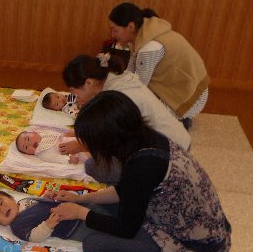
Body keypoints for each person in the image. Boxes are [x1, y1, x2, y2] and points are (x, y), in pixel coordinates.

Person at [51, 91, 231, 252]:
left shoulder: (142, 166)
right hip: (206, 230)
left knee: (94, 246)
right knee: (97, 208)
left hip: (197, 248)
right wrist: (81, 200)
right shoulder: (146, 139)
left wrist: (80, 212)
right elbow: (125, 191)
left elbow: (126, 228)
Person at [59, 53, 192, 183]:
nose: (74, 95)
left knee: (95, 166)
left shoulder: (119, 95)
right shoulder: (117, 80)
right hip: (178, 140)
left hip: (170, 153)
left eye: (72, 90)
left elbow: (114, 140)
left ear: (88, 83)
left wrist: (82, 145)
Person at [108, 2, 209, 124]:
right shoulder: (143, 37)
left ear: (131, 26)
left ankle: (179, 121)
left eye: (115, 30)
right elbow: (130, 73)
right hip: (192, 91)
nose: (112, 35)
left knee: (132, 120)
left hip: (190, 100)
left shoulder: (149, 48)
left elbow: (139, 87)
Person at [0, 191, 91, 243]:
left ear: (11, 198)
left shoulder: (23, 201)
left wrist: (46, 198)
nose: (1, 209)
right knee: (94, 230)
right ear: (1, 223)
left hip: (74, 207)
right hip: (72, 228)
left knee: (95, 207)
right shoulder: (17, 226)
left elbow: (39, 204)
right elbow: (33, 237)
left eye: (1, 202)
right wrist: (47, 225)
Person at [16, 129, 80, 164]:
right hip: (76, 150)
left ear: (34, 132)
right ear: (29, 154)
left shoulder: (44, 134)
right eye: (26, 147)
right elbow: (56, 159)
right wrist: (69, 160)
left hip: (76, 137)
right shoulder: (42, 152)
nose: (29, 143)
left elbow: (59, 133)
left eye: (28, 139)